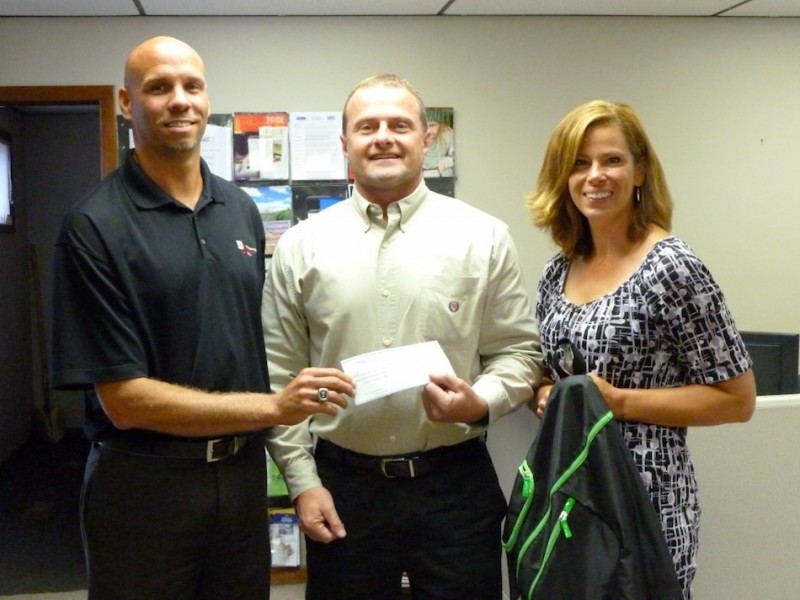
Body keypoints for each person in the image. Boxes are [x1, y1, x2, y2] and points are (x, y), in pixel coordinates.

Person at [49, 36, 354, 600]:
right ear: (126, 102)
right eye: (159, 88)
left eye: (192, 86)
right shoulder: (94, 226)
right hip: (143, 486)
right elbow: (124, 400)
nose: (180, 101)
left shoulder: (238, 208)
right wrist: (275, 407)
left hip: (238, 480)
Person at [262, 73, 543, 599]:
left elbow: (520, 352)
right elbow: (281, 377)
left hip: (453, 486)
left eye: (400, 124)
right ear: (345, 143)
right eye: (367, 126)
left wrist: (478, 401)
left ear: (426, 139)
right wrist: (303, 483)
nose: (383, 136)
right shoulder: (302, 246)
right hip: (344, 489)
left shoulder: (483, 237)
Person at [526, 99, 756, 599]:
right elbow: (551, 371)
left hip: (646, 497)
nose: (595, 176)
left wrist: (621, 401)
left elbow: (738, 399)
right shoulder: (556, 272)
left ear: (640, 171)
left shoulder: (672, 267)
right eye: (579, 163)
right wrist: (546, 391)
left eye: (612, 160)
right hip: (570, 495)